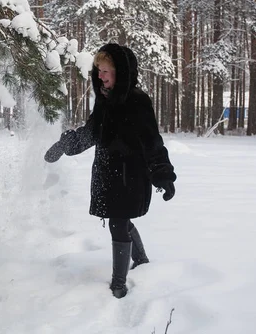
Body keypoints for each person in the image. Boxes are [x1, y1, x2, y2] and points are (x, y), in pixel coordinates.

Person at [44, 43, 176, 299]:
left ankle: (119, 283)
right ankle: (141, 259)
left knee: (118, 222)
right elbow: (92, 133)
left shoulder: (138, 102)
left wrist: (163, 175)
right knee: (122, 220)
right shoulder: (104, 100)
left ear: (122, 72)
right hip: (107, 172)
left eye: (106, 71)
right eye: (99, 71)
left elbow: (152, 141)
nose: (101, 76)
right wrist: (64, 145)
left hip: (131, 175)